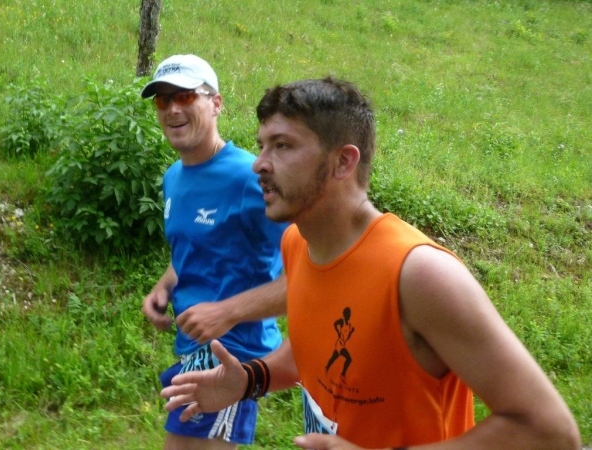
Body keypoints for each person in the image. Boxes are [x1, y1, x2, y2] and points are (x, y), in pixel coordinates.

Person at [160, 77, 581, 449]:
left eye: (282, 146)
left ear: (344, 161)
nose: (259, 164)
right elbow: (315, 353)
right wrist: (250, 380)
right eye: (262, 145)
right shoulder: (298, 244)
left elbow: (547, 430)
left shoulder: (419, 274)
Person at [140, 54, 288, 450]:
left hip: (232, 353)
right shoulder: (174, 176)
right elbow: (196, 249)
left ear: (216, 104)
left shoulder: (250, 178)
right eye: (162, 100)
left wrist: (227, 312)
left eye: (186, 96)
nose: (173, 109)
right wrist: (165, 286)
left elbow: (314, 273)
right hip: (193, 348)